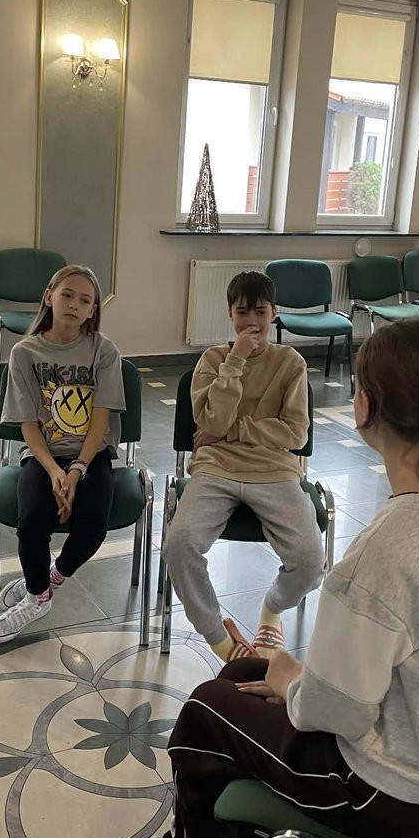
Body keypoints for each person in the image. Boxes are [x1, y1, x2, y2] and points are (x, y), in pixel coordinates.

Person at [165, 319, 419, 838]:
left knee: (205, 709)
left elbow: (335, 711)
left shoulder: (380, 555)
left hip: (386, 791)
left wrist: (294, 685)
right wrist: (294, 679)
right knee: (246, 672)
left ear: (363, 407)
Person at [162, 270, 323, 663]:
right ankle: (221, 640)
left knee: (309, 561)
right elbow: (209, 423)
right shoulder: (213, 360)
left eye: (261, 312)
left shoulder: (290, 362)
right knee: (179, 545)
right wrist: (234, 362)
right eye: (242, 312)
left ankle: (272, 608)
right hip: (215, 468)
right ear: (230, 315)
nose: (252, 322)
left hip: (275, 471)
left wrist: (234, 430)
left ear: (274, 313)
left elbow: (295, 433)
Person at [0, 264, 124, 644]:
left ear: (93, 310)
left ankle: (51, 579)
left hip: (91, 455)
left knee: (93, 522)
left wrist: (77, 469)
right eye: (67, 294)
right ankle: (37, 598)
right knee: (32, 519)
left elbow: (101, 420)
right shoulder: (24, 352)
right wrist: (54, 472)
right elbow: (28, 424)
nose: (75, 304)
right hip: (42, 455)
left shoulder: (104, 351)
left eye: (85, 300)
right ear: (49, 297)